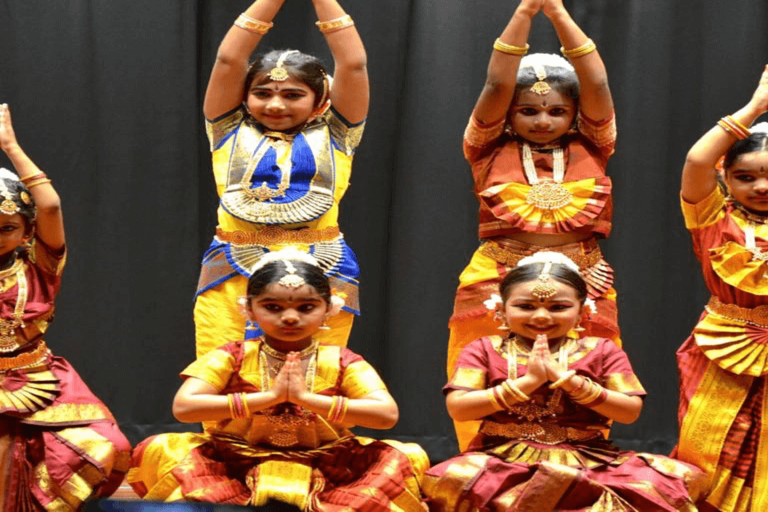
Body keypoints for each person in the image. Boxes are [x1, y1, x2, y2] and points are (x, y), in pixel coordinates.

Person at [128, 248, 428, 509]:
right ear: (250, 310)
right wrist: (270, 398)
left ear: (328, 311)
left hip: (329, 465)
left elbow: (386, 415)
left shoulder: (343, 360)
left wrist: (305, 399)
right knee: (162, 447)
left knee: (406, 455)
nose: (289, 317)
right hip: (235, 463)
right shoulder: (231, 356)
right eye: (272, 307)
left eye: (306, 307)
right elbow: (184, 408)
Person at [448, 0, 619, 450]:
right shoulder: (484, 148)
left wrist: (558, 13)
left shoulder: (594, 145)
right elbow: (495, 82)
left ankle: (581, 462)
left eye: (557, 111)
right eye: (528, 111)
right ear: (509, 113)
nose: (543, 120)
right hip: (497, 276)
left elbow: (597, 80)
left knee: (590, 374)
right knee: (483, 371)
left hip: (585, 275)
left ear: (573, 113)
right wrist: (525, 12)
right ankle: (481, 464)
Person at [425, 252, 705, 511]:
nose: (541, 316)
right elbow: (459, 408)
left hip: (588, 456)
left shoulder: (602, 350)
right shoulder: (483, 348)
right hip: (501, 458)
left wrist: (572, 384)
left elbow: (629, 412)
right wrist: (528, 382)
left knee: (660, 484)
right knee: (453, 479)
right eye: (525, 306)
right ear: (501, 310)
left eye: (559, 307)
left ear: (583, 312)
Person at [195, 0, 369, 358]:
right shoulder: (226, 127)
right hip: (233, 267)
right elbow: (229, 61)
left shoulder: (339, 132)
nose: (275, 104)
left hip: (323, 267)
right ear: (244, 96)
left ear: (320, 99)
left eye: (293, 95)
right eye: (262, 93)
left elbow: (353, 64)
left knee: (318, 375)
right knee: (224, 373)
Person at [0, 103, 131, 508]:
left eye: (5, 227)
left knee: (109, 445)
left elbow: (51, 206)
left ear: (27, 231)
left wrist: (11, 147)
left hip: (36, 377)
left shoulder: (40, 265)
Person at [673, 65, 768, 512]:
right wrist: (755, 108)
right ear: (725, 178)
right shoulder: (713, 219)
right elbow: (695, 161)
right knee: (707, 450)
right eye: (745, 176)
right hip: (720, 348)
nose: (761, 186)